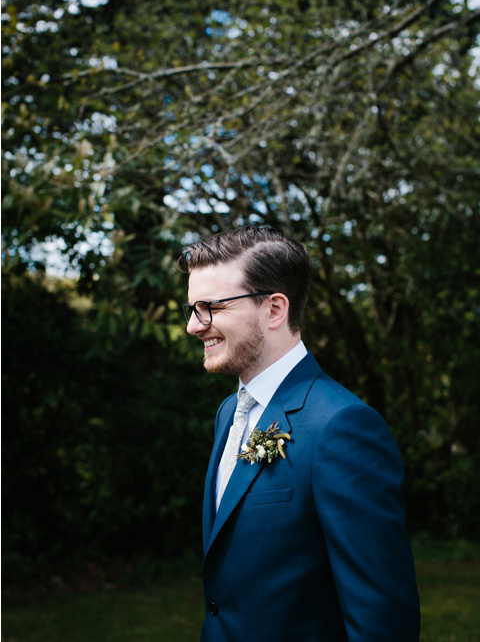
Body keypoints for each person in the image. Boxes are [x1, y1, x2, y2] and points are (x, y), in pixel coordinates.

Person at [178, 226, 419, 642]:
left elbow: (383, 617)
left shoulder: (341, 427)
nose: (193, 326)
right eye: (191, 309)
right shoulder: (227, 413)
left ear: (274, 309)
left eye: (209, 307)